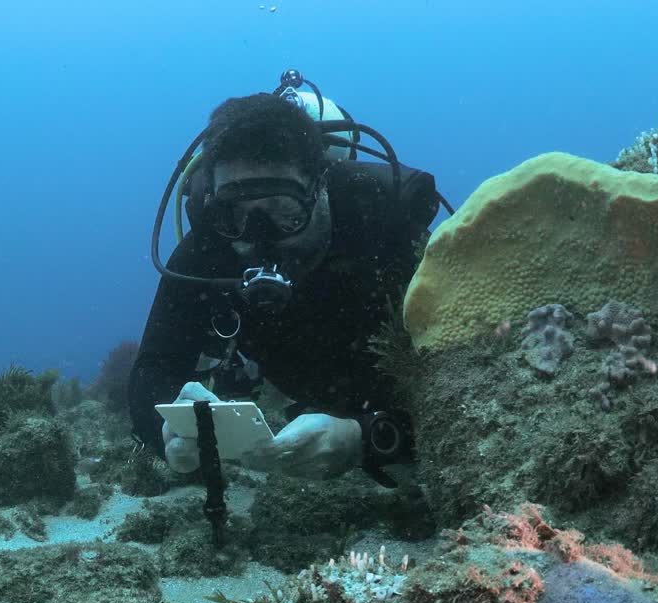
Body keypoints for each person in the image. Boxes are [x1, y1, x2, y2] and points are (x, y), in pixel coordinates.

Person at [128, 74, 448, 486]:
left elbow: (470, 386)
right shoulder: (207, 250)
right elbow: (153, 369)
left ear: (321, 187)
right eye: (235, 213)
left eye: (283, 209)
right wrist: (168, 432)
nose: (256, 236)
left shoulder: (384, 230)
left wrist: (365, 438)